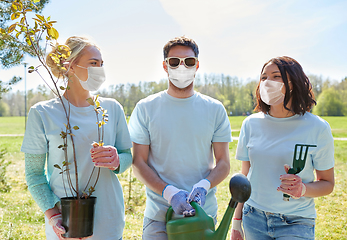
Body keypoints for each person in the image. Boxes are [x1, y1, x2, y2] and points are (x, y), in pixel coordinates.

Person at [21, 36, 132, 240]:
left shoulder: (112, 108)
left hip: (109, 219)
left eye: (101, 64)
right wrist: (53, 215)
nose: (100, 69)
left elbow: (127, 156)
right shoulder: (42, 113)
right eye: (93, 63)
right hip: (65, 223)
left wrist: (118, 161)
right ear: (69, 66)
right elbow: (34, 174)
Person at [128, 36, 232, 240]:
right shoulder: (145, 108)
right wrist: (168, 192)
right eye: (174, 62)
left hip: (203, 217)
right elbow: (139, 163)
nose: (182, 67)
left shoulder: (214, 109)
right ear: (165, 66)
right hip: (158, 217)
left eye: (189, 62)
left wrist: (204, 185)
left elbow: (224, 163)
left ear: (197, 65)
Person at [230, 56, 335, 240]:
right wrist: (237, 220)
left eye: (276, 76)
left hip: (297, 222)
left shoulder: (317, 127)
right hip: (253, 218)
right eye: (264, 77)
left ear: (293, 82)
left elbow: (327, 183)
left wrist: (303, 189)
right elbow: (245, 178)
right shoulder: (250, 124)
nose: (267, 82)